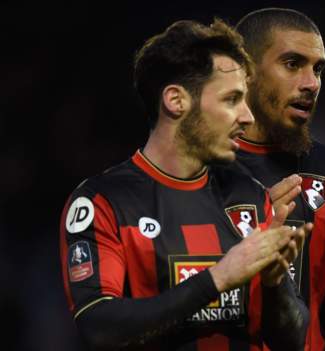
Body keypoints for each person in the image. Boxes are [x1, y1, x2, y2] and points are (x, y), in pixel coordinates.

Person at [59, 19, 311, 351]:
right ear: (176, 101)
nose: (248, 116)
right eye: (232, 99)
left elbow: (292, 339)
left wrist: (274, 282)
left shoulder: (248, 195)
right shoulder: (103, 202)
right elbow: (100, 327)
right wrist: (218, 278)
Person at [233, 8, 325, 350]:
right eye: (292, 64)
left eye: (318, 69)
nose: (311, 83)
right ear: (246, 70)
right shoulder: (201, 170)